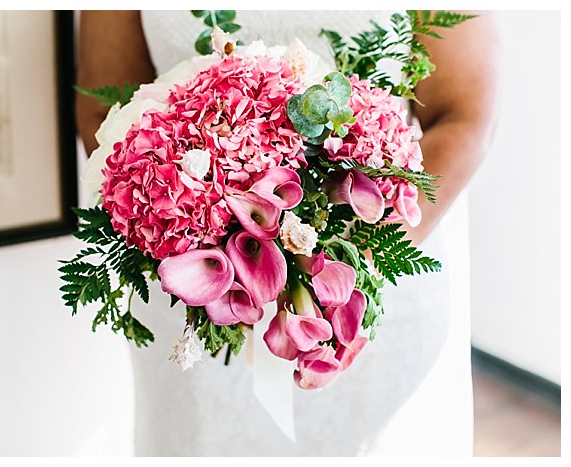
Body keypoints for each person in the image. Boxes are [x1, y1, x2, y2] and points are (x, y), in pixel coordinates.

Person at [75, 10, 499, 456]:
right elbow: (103, 109)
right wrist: (204, 241)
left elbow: (464, 114)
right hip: (196, 294)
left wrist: (347, 269)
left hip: (360, 287)